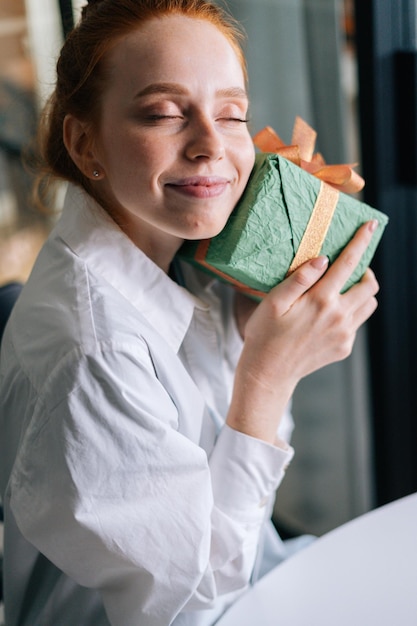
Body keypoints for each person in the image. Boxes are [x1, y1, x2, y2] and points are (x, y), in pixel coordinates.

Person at [0, 1, 379, 625]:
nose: (211, 146)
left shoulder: (173, 258)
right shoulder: (93, 350)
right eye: (163, 114)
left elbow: (225, 499)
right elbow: (183, 604)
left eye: (232, 115)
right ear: (83, 139)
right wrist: (268, 377)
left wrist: (242, 320)